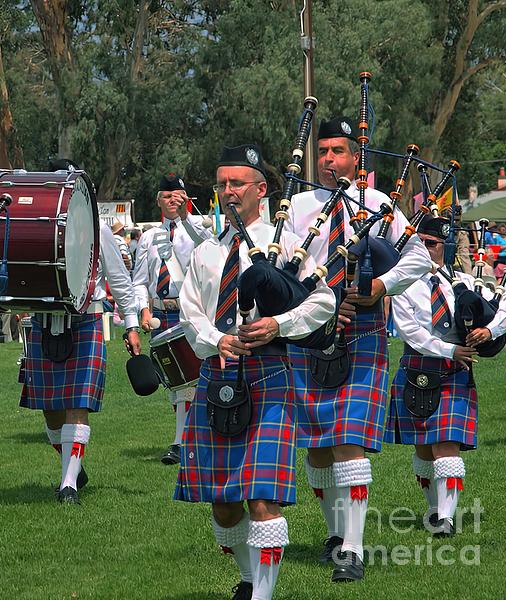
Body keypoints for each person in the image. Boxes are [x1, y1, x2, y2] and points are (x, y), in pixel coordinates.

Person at [177, 144, 336, 600]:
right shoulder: (206, 251)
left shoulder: (285, 245)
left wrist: (278, 324)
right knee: (225, 506)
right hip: (218, 373)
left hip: (269, 373)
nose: (228, 192)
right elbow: (190, 311)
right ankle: (248, 581)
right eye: (222, 184)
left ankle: (262, 596)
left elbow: (322, 300)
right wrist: (216, 339)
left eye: (237, 184)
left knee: (262, 499)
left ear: (260, 190)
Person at [285, 116, 432, 581]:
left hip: (362, 329)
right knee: (316, 446)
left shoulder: (380, 203)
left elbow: (418, 257)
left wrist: (380, 287)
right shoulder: (297, 205)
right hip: (309, 329)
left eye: (338, 152)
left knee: (348, 440)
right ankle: (334, 532)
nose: (328, 160)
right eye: (323, 151)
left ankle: (353, 547)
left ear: (356, 157)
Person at [20, 158, 142, 504]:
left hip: (86, 318)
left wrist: (131, 324)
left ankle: (68, 484)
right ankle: (70, 463)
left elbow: (119, 281)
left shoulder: (97, 229)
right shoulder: (37, 226)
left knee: (77, 401)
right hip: (45, 320)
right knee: (48, 408)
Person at [385, 216, 506, 538]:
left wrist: (490, 330)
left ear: (444, 247)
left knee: (446, 445)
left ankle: (446, 518)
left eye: (432, 244)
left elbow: (499, 310)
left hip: (456, 372)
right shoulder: (403, 283)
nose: (426, 250)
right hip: (418, 367)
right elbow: (409, 331)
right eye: (421, 243)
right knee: (424, 449)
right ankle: (433, 508)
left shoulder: (466, 283)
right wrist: (448, 350)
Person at [132, 173, 212, 465]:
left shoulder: (198, 230)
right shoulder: (148, 238)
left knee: (189, 381)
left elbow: (208, 246)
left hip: (190, 311)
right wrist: (142, 308)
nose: (172, 201)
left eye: (177, 197)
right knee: (175, 381)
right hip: (160, 314)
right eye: (167, 197)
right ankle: (190, 436)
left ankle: (180, 442)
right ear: (158, 201)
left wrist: (186, 216)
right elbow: (140, 280)